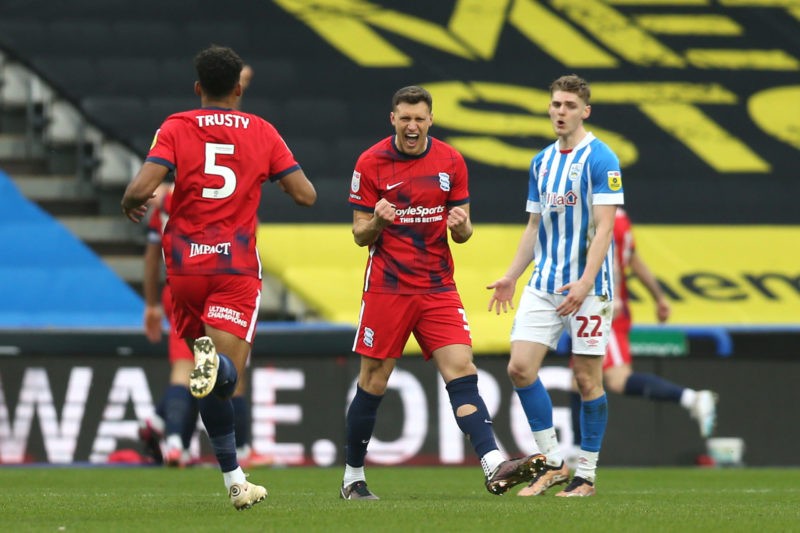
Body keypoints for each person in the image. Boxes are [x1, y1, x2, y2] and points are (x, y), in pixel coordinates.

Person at [121, 45, 316, 510]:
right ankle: (209, 405)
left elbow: (140, 188)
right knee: (224, 378)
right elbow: (305, 195)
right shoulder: (263, 131)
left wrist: (132, 201)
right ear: (238, 88)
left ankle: (234, 480)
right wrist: (267, 176)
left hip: (185, 268)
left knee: (203, 373)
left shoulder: (175, 126)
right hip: (234, 267)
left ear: (197, 89)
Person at [342, 85, 545, 501]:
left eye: (419, 118)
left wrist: (461, 228)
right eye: (405, 118)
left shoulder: (451, 161)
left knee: (462, 368)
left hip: (437, 285)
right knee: (374, 381)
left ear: (431, 120)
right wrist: (377, 221)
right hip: (388, 286)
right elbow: (360, 234)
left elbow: (465, 229)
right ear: (393, 119)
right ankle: (353, 478)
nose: (412, 126)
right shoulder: (370, 162)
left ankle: (493, 464)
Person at [487, 74, 623, 497]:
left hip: (589, 288)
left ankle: (587, 475)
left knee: (586, 378)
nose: (560, 112)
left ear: (585, 110)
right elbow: (533, 225)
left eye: (569, 105)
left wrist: (584, 282)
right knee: (519, 368)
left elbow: (603, 230)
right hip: (544, 283)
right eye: (555, 105)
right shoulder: (541, 162)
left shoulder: (602, 159)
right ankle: (553, 463)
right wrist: (512, 274)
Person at [137, 65, 270, 469]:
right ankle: (233, 452)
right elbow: (235, 132)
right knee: (227, 372)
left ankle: (169, 433)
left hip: (181, 279)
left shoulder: (168, 198)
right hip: (231, 270)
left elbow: (150, 249)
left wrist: (151, 303)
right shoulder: (238, 190)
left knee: (192, 366)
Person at [567, 208, 718, 451]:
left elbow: (613, 264)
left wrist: (613, 300)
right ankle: (576, 447)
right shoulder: (621, 217)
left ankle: (693, 398)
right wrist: (659, 296)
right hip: (596, 308)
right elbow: (634, 260)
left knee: (616, 378)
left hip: (604, 310)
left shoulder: (600, 218)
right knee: (578, 377)